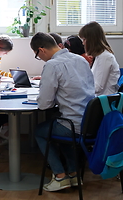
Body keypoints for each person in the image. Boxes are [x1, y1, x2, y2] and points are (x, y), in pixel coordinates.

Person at [31, 32, 95, 192]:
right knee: (58, 127)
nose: (41, 59)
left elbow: (44, 104)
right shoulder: (80, 59)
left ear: (41, 50)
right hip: (90, 122)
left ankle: (59, 176)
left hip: (73, 124)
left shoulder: (52, 65)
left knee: (40, 131)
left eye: (37, 56)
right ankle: (73, 174)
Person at [79, 21, 120, 96]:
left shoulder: (105, 57)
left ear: (92, 40)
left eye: (84, 39)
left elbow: (98, 87)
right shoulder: (99, 56)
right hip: (98, 98)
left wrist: (78, 87)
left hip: (104, 101)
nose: (83, 43)